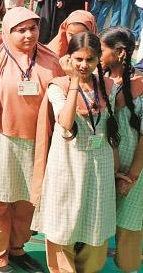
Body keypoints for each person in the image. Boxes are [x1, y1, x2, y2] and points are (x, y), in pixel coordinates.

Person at [0, 7, 62, 273]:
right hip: (0, 140)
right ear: (7, 32)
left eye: (33, 28)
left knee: (28, 200)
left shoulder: (49, 59)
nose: (29, 35)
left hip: (38, 142)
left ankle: (17, 248)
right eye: (21, 30)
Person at [32, 32, 118, 273]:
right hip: (66, 166)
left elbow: (113, 132)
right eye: (78, 59)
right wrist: (72, 82)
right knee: (62, 226)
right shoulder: (57, 87)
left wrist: (117, 167)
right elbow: (66, 122)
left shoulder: (109, 87)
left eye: (90, 60)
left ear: (98, 60)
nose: (83, 65)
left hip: (98, 167)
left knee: (96, 226)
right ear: (68, 58)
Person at [99, 27, 143, 273]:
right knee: (99, 220)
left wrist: (132, 177)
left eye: (102, 49)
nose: (98, 54)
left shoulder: (141, 86)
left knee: (129, 227)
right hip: (104, 163)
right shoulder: (97, 81)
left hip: (134, 170)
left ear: (120, 52)